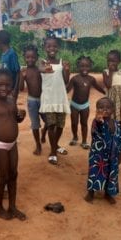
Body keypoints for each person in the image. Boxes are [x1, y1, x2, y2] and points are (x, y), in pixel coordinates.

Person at [0, 69, 26, 221]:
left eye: (8, 85)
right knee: (3, 177)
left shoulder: (11, 102)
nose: (4, 88)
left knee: (14, 174)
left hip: (12, 144)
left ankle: (12, 207)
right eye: (0, 85)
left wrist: (22, 115)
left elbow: (16, 119)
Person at [85, 97, 121, 204]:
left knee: (111, 173)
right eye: (101, 107)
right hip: (98, 155)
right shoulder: (97, 122)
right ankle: (91, 192)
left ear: (113, 109)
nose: (105, 110)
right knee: (94, 172)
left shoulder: (118, 124)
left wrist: (120, 155)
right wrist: (99, 121)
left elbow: (120, 139)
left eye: (108, 107)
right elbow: (96, 131)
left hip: (112, 155)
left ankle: (108, 193)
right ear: (96, 109)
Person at [39, 36, 70, 165]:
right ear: (45, 48)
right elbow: (40, 69)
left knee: (60, 126)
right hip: (48, 99)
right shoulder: (42, 61)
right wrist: (45, 68)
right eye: (49, 46)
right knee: (51, 125)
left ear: (58, 48)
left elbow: (66, 81)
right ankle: (52, 151)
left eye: (54, 46)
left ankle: (56, 144)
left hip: (61, 98)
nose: (52, 48)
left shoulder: (62, 62)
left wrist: (67, 70)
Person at [67, 56, 105, 149]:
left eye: (87, 66)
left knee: (84, 123)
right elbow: (67, 90)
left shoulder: (91, 79)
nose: (84, 68)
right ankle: (75, 137)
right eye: (82, 66)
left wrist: (105, 92)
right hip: (74, 105)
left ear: (90, 67)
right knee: (74, 123)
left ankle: (84, 141)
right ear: (78, 67)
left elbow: (97, 87)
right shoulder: (74, 78)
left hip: (85, 105)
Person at [19, 44, 47, 155]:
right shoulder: (24, 71)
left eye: (33, 57)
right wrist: (22, 76)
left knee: (49, 121)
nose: (30, 59)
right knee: (35, 124)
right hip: (32, 101)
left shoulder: (39, 69)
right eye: (27, 57)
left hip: (43, 99)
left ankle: (44, 133)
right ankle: (38, 145)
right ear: (24, 58)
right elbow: (21, 88)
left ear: (36, 57)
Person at [103, 50, 121, 135]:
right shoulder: (106, 72)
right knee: (110, 118)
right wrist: (111, 72)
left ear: (119, 62)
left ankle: (120, 137)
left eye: (113, 61)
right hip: (111, 100)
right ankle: (110, 137)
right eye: (109, 60)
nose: (110, 63)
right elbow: (108, 85)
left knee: (120, 120)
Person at [0, 30, 20, 99]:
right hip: (5, 88)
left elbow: (18, 72)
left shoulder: (11, 54)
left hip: (11, 89)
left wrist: (15, 89)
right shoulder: (3, 54)